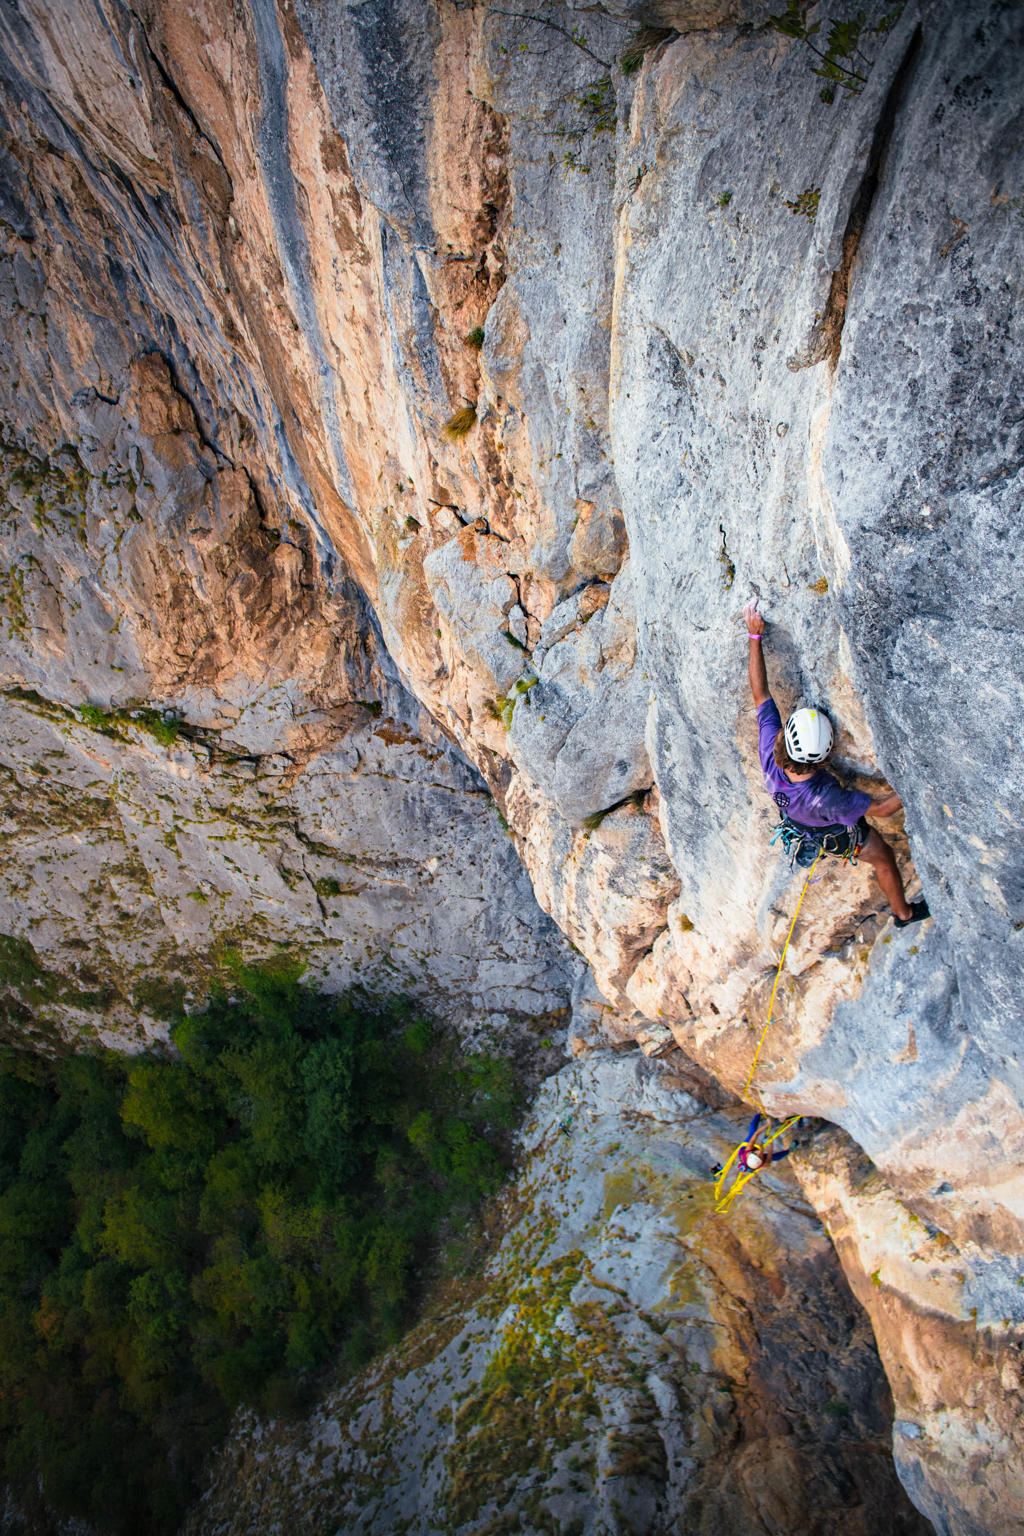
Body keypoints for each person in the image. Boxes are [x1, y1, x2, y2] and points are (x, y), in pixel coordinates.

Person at [743, 599, 929, 928]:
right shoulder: (827, 798)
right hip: (835, 830)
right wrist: (922, 777)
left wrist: (754, 637)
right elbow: (884, 809)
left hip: (799, 818)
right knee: (883, 858)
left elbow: (761, 695)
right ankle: (904, 914)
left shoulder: (770, 753)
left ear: (783, 740)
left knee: (826, 829)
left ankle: (810, 841)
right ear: (826, 757)